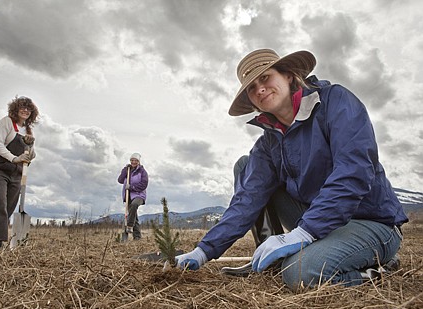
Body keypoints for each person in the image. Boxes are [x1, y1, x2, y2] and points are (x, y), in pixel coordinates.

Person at [175, 49, 408, 289]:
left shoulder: (335, 102)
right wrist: (203, 250)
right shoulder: (268, 144)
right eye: (252, 88)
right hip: (318, 220)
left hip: (369, 221)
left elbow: (354, 172)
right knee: (245, 167)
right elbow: (247, 200)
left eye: (265, 78)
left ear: (288, 75)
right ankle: (268, 259)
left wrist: (302, 233)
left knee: (300, 274)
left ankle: (379, 269)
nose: (260, 89)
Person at [0, 96, 39, 251]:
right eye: (22, 107)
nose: (25, 110)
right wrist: (14, 158)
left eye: (28, 108)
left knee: (8, 207)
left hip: (16, 173)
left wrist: (30, 145)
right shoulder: (6, 122)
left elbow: (31, 156)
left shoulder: (28, 130)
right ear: (15, 108)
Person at [117, 153, 148, 240]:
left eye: (135, 160)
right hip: (128, 196)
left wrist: (131, 187)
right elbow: (120, 180)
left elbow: (144, 185)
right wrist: (124, 170)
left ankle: (129, 225)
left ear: (139, 161)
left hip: (139, 195)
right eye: (132, 160)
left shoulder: (142, 172)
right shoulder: (128, 170)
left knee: (134, 205)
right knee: (134, 216)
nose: (133, 162)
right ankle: (137, 237)